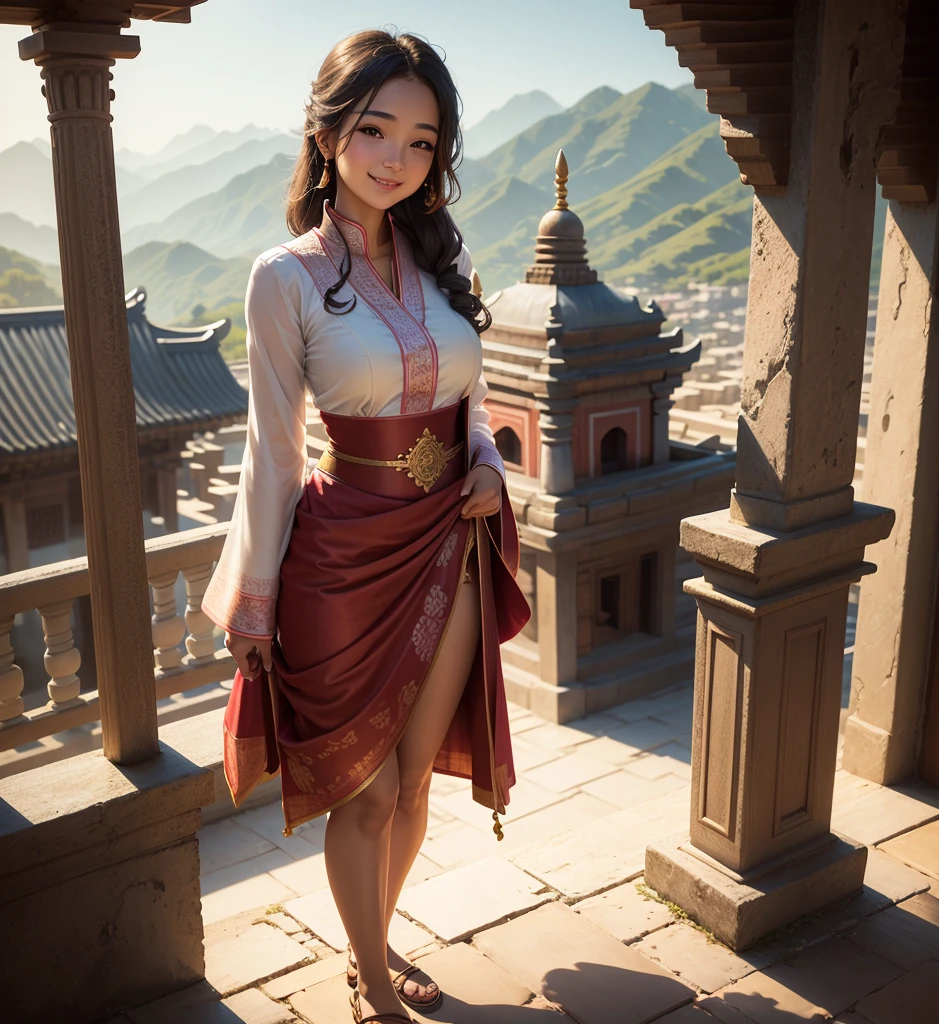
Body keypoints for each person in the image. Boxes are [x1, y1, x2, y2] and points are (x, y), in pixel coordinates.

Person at [201, 29, 530, 1024]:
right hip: (340, 560)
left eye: (422, 142)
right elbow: (272, 447)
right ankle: (378, 992)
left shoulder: (440, 254)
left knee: (419, 779)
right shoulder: (284, 278)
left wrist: (483, 462)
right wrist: (253, 601)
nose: (396, 157)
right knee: (370, 791)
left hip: (449, 541)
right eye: (376, 129)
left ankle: (369, 946)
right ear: (328, 128)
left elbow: (469, 398)